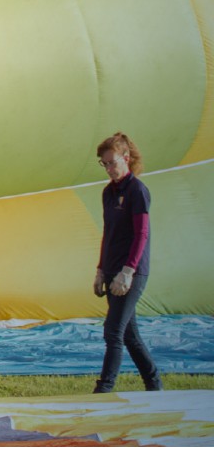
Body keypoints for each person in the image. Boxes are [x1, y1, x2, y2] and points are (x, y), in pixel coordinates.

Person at [92, 132, 162, 393]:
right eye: (105, 164)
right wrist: (100, 270)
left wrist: (128, 271)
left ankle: (104, 389)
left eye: (112, 162)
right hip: (111, 269)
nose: (109, 169)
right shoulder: (108, 193)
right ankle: (154, 384)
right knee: (130, 336)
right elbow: (108, 232)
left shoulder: (137, 190)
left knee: (113, 332)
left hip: (130, 272)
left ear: (126, 158)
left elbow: (141, 233)